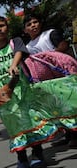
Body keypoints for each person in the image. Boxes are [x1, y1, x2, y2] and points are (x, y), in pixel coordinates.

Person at [0, 15, 77, 168]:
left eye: (2, 26)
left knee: (31, 123)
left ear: (6, 28)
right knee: (14, 126)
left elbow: (19, 53)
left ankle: (38, 155)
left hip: (24, 91)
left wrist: (14, 65)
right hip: (5, 97)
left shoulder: (15, 42)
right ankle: (22, 157)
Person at [23, 12, 77, 148]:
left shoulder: (50, 34)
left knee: (70, 105)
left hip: (62, 77)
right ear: (25, 30)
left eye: (35, 22)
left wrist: (49, 56)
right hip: (48, 83)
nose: (33, 26)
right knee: (58, 109)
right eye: (29, 24)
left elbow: (63, 46)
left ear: (40, 24)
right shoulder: (28, 47)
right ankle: (68, 134)